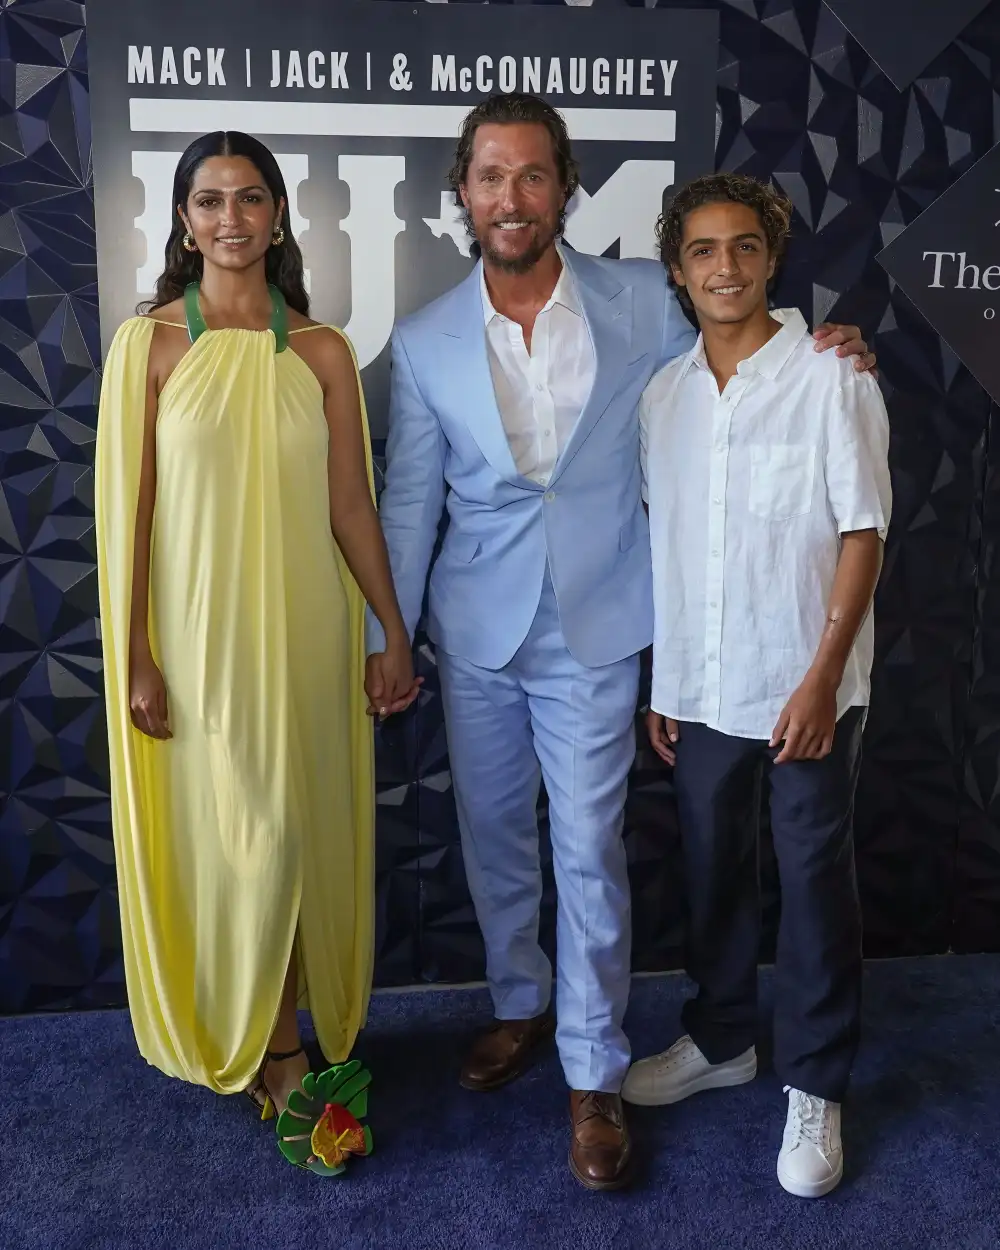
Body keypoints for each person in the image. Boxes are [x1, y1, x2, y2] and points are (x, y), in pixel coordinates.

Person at [366, 92, 875, 1190]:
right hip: (478, 627)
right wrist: (389, 634)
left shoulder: (644, 296)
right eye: (491, 175)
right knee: (494, 835)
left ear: (563, 188)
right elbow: (408, 502)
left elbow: (745, 335)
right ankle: (518, 1004)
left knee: (588, 844)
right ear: (463, 191)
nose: (512, 196)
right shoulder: (420, 341)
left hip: (601, 624)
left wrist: (839, 344)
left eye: (533, 174)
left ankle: (591, 1069)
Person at [95, 130, 418, 1174]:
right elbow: (128, 516)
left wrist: (390, 629)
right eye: (207, 200)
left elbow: (351, 508)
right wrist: (135, 652)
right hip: (195, 639)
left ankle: (279, 1047)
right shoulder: (146, 347)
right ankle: (259, 1043)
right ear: (182, 221)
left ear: (278, 216)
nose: (228, 218)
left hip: (306, 633)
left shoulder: (320, 350)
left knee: (287, 836)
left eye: (248, 198)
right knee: (235, 844)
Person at [624, 173, 891, 1199]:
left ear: (770, 256)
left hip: (805, 684)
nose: (723, 267)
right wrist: (665, 676)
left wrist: (821, 679)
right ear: (678, 267)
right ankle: (723, 1037)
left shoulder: (832, 375)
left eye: (742, 246)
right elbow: (673, 545)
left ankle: (816, 1080)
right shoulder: (664, 394)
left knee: (813, 881)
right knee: (711, 868)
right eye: (701, 250)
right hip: (700, 686)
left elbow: (863, 531)